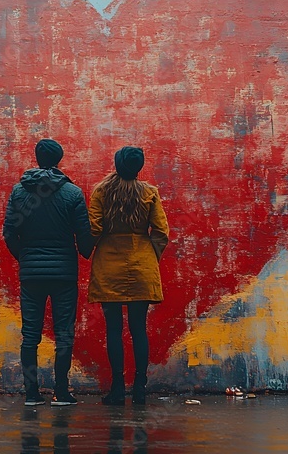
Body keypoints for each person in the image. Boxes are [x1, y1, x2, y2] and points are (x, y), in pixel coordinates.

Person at [3, 138, 95, 407]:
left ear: (37, 157)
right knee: (64, 333)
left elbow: (9, 233)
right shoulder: (73, 193)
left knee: (30, 335)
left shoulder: (19, 192)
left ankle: (31, 393)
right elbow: (84, 236)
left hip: (31, 275)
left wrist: (26, 258)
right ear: (60, 158)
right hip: (64, 274)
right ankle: (61, 392)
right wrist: (88, 251)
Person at [87, 146, 169, 405]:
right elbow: (161, 231)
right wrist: (149, 256)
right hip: (141, 264)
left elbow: (95, 227)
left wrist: (89, 249)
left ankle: (118, 388)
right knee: (138, 329)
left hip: (109, 264)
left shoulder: (102, 190)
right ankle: (140, 390)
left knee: (113, 329)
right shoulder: (150, 192)